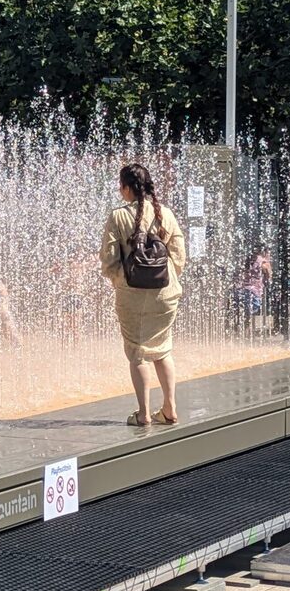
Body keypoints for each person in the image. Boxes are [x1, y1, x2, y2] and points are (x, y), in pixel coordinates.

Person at [99, 163, 186, 428]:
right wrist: (169, 279)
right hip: (166, 293)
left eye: (121, 185)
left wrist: (119, 281)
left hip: (132, 295)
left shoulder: (118, 216)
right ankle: (170, 407)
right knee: (163, 350)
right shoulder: (166, 214)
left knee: (138, 354)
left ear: (126, 188)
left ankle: (143, 413)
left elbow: (108, 259)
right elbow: (179, 255)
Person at [232, 246, 272, 334]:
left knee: (239, 310)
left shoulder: (248, 259)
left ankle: (238, 328)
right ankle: (246, 330)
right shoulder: (263, 262)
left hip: (240, 289)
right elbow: (269, 276)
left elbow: (238, 274)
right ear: (264, 253)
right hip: (253, 291)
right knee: (250, 311)